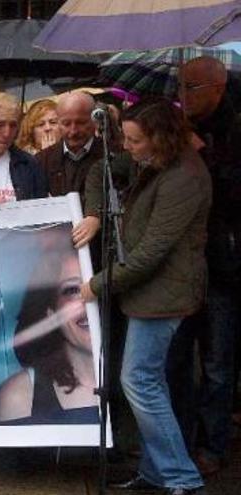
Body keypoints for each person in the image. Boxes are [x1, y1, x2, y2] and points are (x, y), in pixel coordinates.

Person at [81, 97, 210, 495]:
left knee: (138, 380)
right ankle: (157, 473)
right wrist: (95, 212)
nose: (129, 147)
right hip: (153, 292)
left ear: (159, 138)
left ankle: (182, 478)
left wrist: (98, 284)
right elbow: (100, 169)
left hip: (164, 294)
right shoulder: (163, 165)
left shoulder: (183, 177)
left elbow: (152, 253)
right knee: (150, 380)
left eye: (136, 140)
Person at [166, 55, 241, 476]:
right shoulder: (184, 130)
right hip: (183, 263)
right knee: (177, 356)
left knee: (216, 360)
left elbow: (230, 195)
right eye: (180, 88)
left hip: (223, 266)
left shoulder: (234, 129)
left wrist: (204, 158)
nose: (183, 97)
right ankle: (179, 435)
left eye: (190, 88)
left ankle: (212, 445)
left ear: (216, 87)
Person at [0, 227, 98, 425]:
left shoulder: (145, 383)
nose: (89, 300)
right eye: (73, 290)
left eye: (98, 286)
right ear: (51, 312)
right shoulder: (17, 397)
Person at [35, 91, 108, 251]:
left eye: (80, 122)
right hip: (56, 249)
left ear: (94, 121)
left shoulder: (109, 156)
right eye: (66, 124)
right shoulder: (41, 161)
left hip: (100, 250)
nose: (73, 131)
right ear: (58, 122)